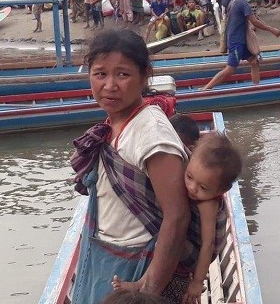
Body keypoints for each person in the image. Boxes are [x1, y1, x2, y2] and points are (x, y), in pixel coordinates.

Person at [69, 30, 192, 302]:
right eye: (100, 74)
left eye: (122, 74)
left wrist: (148, 290)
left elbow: (177, 216)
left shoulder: (152, 134)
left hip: (138, 264)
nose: (110, 85)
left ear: (145, 75)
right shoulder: (116, 123)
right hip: (104, 256)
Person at [116, 132, 241, 303]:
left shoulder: (208, 205)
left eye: (203, 187)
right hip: (177, 248)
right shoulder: (186, 168)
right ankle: (141, 284)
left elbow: (207, 244)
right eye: (189, 177)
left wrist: (197, 282)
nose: (192, 188)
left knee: (170, 240)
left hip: (188, 261)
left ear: (221, 191)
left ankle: (146, 287)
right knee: (165, 238)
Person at [203, 0, 280, 90]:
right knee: (230, 69)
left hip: (241, 40)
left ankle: (256, 88)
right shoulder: (242, 3)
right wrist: (272, 30)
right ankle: (206, 89)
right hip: (236, 41)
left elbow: (254, 18)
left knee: (254, 61)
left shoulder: (234, 0)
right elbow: (254, 21)